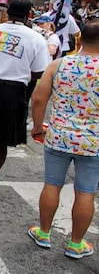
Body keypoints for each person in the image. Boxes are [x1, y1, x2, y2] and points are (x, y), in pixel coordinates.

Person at [27, 19, 99, 259]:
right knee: (86, 192)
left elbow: (38, 98)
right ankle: (76, 243)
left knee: (52, 184)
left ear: (80, 39)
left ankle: (44, 233)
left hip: (58, 136)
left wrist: (38, 126)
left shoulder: (59, 64)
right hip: (94, 142)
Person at [0, 0, 50, 199]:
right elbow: (39, 71)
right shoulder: (35, 38)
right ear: (28, 14)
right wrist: (18, 68)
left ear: (8, 12)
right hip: (14, 92)